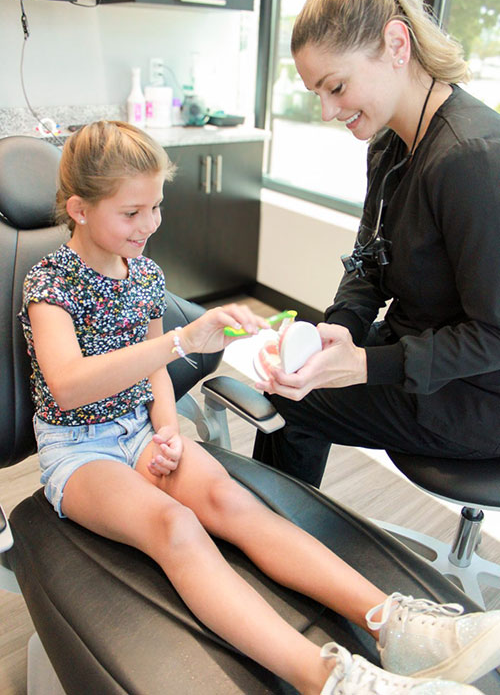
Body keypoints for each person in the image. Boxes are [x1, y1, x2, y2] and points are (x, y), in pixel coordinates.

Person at [18, 120, 500, 695]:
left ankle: (393, 625)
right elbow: (68, 386)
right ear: (78, 207)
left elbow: (152, 377)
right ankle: (332, 681)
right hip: (81, 449)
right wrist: (179, 341)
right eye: (131, 213)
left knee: (232, 499)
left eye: (157, 207)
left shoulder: (145, 275)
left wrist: (168, 429)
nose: (149, 225)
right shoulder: (49, 283)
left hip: (144, 434)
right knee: (176, 525)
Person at [253, 0, 500, 491]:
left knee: (294, 401)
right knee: (294, 378)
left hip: (479, 391)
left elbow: (493, 336)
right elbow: (369, 261)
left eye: (336, 87)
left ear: (395, 44)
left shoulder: (471, 158)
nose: (327, 111)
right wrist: (335, 333)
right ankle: (269, 539)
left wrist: (363, 366)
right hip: (423, 348)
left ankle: (269, 549)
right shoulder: (390, 146)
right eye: (316, 93)